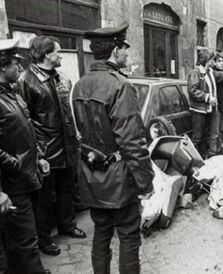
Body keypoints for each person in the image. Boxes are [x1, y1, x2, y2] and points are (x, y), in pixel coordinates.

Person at [72, 22, 154, 273]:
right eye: (125, 48)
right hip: (119, 179)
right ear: (115, 50)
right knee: (129, 236)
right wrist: (146, 182)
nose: (127, 54)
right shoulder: (120, 85)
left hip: (91, 176)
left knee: (101, 233)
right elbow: (132, 142)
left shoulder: (80, 85)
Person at [17, 35, 86, 256]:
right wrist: (38, 153)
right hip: (45, 151)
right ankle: (44, 239)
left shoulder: (60, 77)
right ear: (47, 55)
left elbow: (67, 112)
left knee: (67, 190)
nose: (61, 56)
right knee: (44, 199)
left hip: (66, 146)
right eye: (58, 52)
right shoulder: (25, 80)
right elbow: (24, 121)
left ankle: (68, 225)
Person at [0, 38, 51, 274]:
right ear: (2, 66)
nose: (20, 69)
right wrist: (15, 164)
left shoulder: (12, 95)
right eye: (15, 64)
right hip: (13, 184)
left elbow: (25, 131)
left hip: (26, 178)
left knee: (24, 241)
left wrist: (38, 157)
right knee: (25, 242)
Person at [187, 49, 223, 158]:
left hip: (209, 109)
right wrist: (207, 98)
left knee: (210, 134)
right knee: (197, 137)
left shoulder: (210, 72)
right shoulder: (196, 72)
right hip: (199, 110)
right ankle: (194, 158)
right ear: (207, 60)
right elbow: (192, 90)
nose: (214, 62)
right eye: (212, 59)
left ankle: (208, 155)